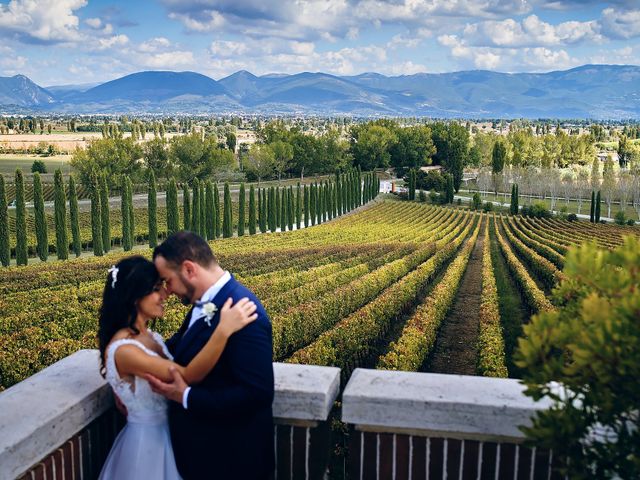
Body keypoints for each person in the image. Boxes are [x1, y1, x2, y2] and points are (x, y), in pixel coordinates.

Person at [98, 255, 257, 480]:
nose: (165, 295)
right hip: (146, 447)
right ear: (133, 296)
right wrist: (223, 330)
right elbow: (186, 375)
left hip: (168, 438)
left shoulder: (149, 336)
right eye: (156, 289)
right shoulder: (125, 350)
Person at [147, 231, 275, 480]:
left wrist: (186, 396)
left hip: (230, 463)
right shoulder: (207, 302)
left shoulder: (243, 311)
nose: (168, 291)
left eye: (168, 280)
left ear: (189, 269)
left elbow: (257, 393)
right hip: (202, 459)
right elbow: (177, 349)